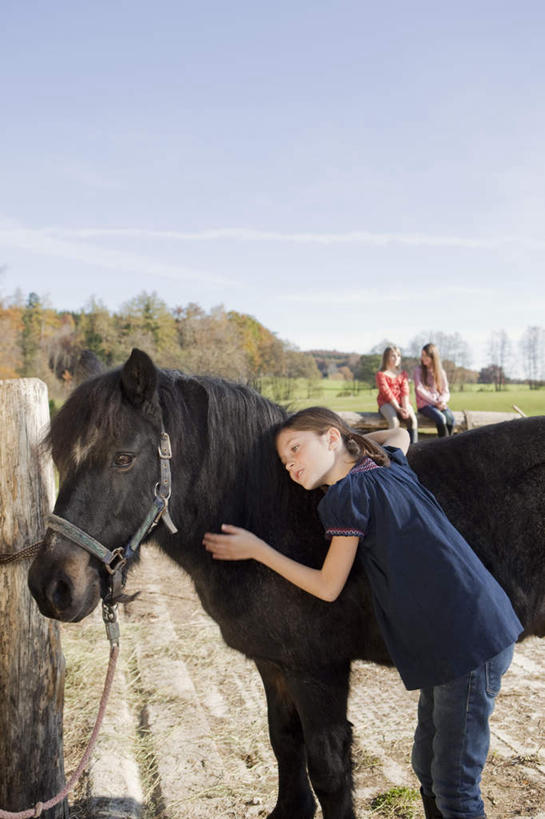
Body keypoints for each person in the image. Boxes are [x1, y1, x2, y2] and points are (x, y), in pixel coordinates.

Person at [203, 407, 522, 819]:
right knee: (427, 766)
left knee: (455, 788)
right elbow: (401, 432)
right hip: (466, 633)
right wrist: (358, 436)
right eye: (285, 461)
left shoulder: (347, 496)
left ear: (332, 438)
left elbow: (327, 586)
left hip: (467, 645)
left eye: (297, 448)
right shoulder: (389, 467)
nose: (292, 465)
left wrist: (258, 550)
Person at [376, 345, 418, 443]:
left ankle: (413, 448)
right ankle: (391, 451)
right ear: (387, 357)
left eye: (398, 356)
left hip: (402, 403)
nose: (396, 358)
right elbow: (387, 393)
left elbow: (405, 391)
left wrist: (405, 408)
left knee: (413, 420)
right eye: (393, 356)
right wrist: (398, 409)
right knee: (394, 422)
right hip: (386, 403)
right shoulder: (381, 374)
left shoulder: (402, 374)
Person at [414, 343, 455, 437]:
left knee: (451, 419)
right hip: (425, 405)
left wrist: (442, 401)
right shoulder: (418, 370)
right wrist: (435, 402)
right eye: (422, 355)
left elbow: (445, 391)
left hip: (439, 404)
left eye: (425, 355)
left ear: (433, 356)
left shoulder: (441, 372)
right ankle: (443, 445)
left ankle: (449, 444)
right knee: (441, 418)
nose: (422, 358)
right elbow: (419, 389)